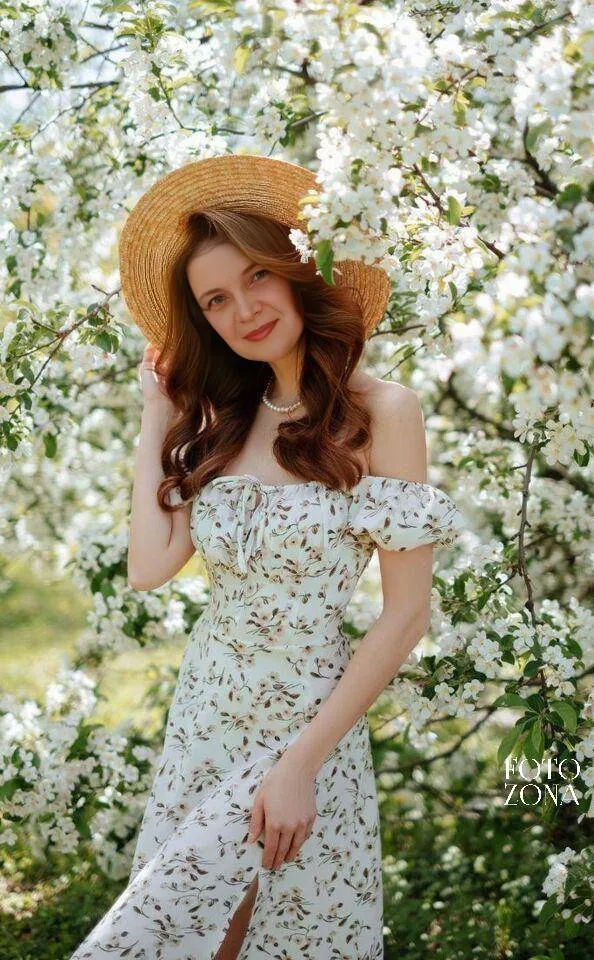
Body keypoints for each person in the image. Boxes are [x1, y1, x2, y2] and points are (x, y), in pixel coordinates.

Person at [70, 154, 462, 960]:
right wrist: (157, 414)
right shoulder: (225, 418)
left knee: (277, 935)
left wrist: (298, 765)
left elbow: (406, 613)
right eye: (217, 300)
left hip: (307, 728)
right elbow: (149, 566)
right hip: (205, 719)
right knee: (182, 937)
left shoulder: (382, 411)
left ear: (296, 269)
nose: (243, 309)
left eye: (256, 277)